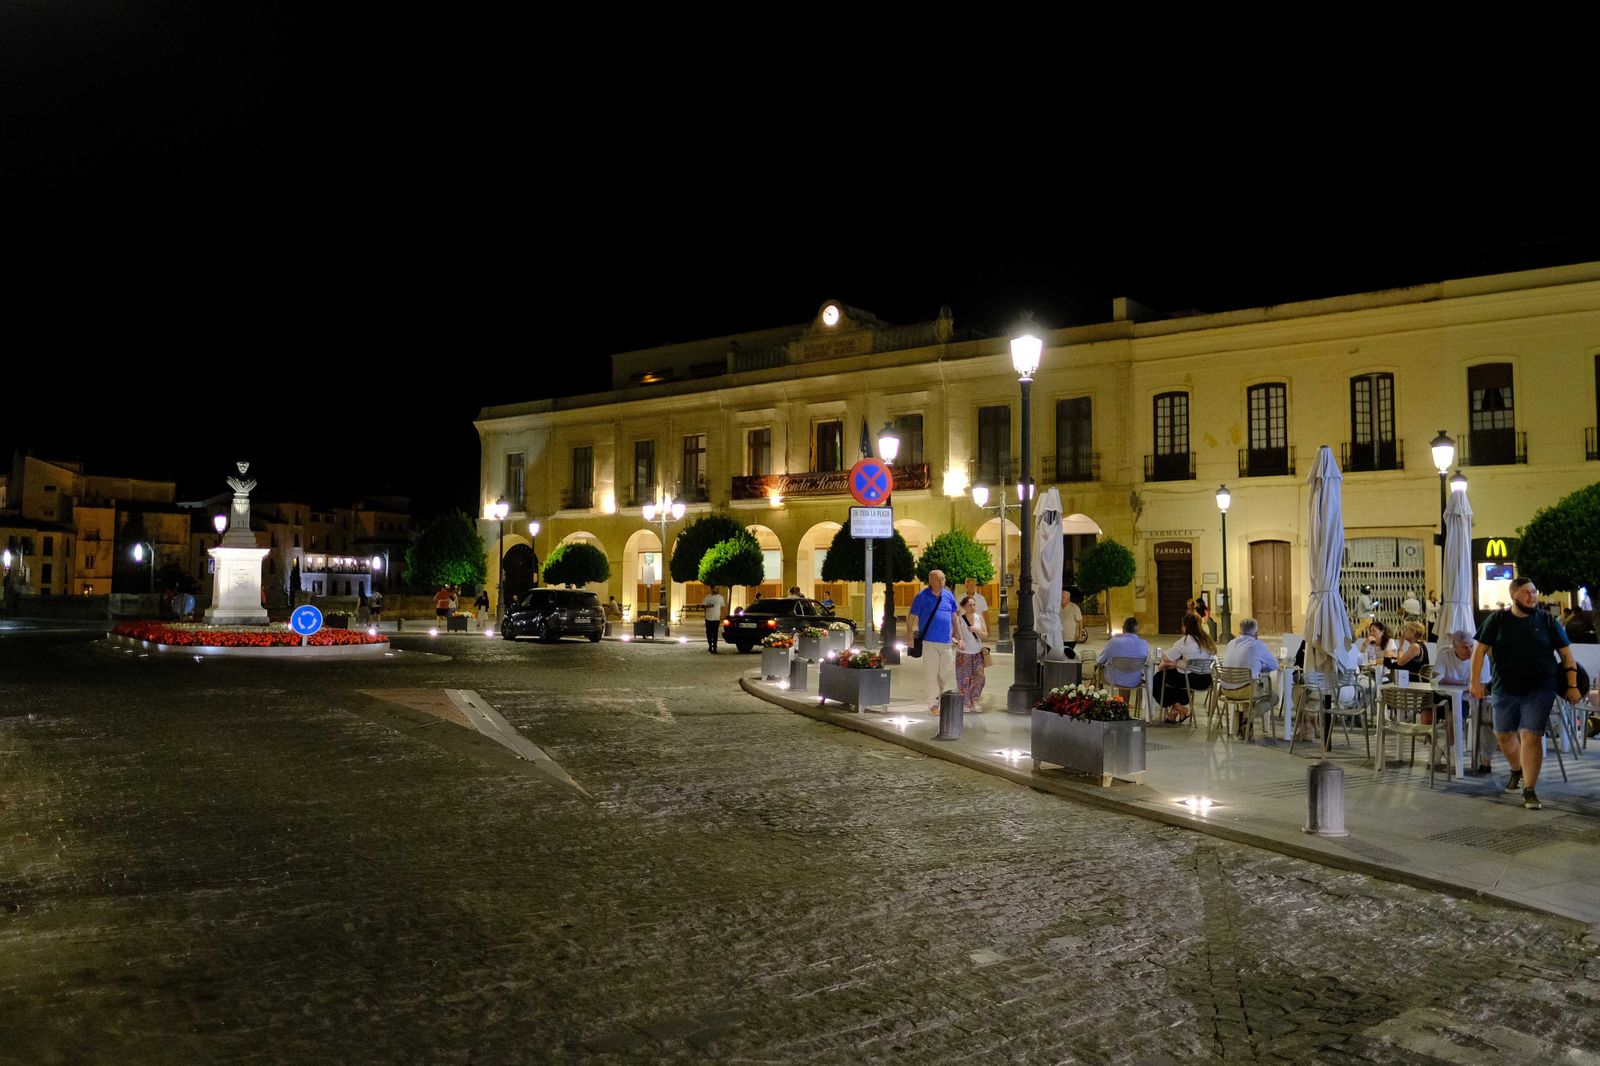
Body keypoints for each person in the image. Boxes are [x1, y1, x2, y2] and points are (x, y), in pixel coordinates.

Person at [1471, 576, 1582, 811]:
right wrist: (1475, 682)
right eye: (1526, 593)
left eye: (1534, 592)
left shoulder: (1548, 621)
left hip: (1540, 688)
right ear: (1513, 595)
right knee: (1503, 735)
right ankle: (1517, 769)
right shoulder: (1497, 619)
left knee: (1531, 736)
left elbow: (1566, 655)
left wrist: (1572, 686)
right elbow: (1479, 651)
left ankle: (1529, 789)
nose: (1532, 597)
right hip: (1504, 688)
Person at [1435, 628, 1493, 774]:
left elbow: (1482, 687)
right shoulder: (1444, 653)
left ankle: (1454, 754)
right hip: (1444, 695)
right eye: (1465, 647)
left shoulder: (1481, 657)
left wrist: (1453, 682)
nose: (1469, 650)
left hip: (1472, 699)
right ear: (1454, 647)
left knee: (1459, 715)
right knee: (1426, 715)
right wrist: (1462, 683)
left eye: (1471, 646)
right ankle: (1441, 749)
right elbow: (1436, 679)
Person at [909, 569, 959, 714]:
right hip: (929, 642)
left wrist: (958, 636)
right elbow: (911, 616)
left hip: (946, 642)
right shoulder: (922, 596)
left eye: (944, 579)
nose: (943, 582)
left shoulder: (948, 595)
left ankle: (937, 695)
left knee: (945, 672)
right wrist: (909, 636)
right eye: (940, 579)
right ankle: (933, 704)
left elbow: (954, 617)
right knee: (931, 673)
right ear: (931, 581)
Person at [1221, 618, 1281, 729]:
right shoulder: (1257, 644)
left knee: (1248, 687)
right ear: (1256, 633)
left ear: (1240, 631)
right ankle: (1248, 715)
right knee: (1274, 697)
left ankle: (1245, 726)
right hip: (1245, 691)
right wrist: (1259, 666)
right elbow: (1275, 665)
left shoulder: (1231, 643)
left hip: (1226, 690)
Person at [1157, 612, 1216, 723]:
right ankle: (1175, 711)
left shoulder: (1184, 641)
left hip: (1191, 679)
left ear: (1185, 626)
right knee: (1175, 678)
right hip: (1206, 679)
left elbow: (1166, 657)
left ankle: (1180, 708)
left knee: (1159, 679)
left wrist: (1176, 662)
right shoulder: (1207, 640)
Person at [953, 595, 987, 713]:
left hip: (977, 653)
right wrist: (958, 642)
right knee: (964, 679)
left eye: (974, 605)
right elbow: (954, 636)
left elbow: (985, 635)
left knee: (980, 678)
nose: (972, 607)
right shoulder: (959, 619)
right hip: (963, 654)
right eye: (969, 605)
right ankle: (966, 703)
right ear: (963, 607)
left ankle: (975, 700)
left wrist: (977, 630)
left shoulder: (979, 618)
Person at [1096, 618, 1150, 690]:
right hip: (1135, 681)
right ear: (1137, 630)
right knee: (1127, 671)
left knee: (1097, 671)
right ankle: (1124, 701)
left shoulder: (1113, 642)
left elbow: (1100, 661)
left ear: (1123, 629)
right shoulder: (1144, 644)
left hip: (1114, 680)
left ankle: (1098, 698)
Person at [1060, 587, 1084, 659]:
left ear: (1068, 599)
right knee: (1062, 654)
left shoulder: (1074, 607)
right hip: (1060, 637)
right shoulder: (1058, 607)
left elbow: (1080, 622)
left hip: (1071, 638)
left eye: (1062, 597)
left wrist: (1080, 635)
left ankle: (1069, 667)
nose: (1060, 599)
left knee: (1068, 654)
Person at [702, 585, 726, 653]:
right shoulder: (707, 597)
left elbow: (723, 607)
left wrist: (722, 616)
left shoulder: (720, 597)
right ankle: (710, 645)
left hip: (716, 618)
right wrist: (708, 606)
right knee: (709, 633)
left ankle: (714, 647)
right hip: (708, 618)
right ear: (711, 589)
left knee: (715, 633)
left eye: (717, 588)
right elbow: (703, 605)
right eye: (715, 588)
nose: (716, 589)